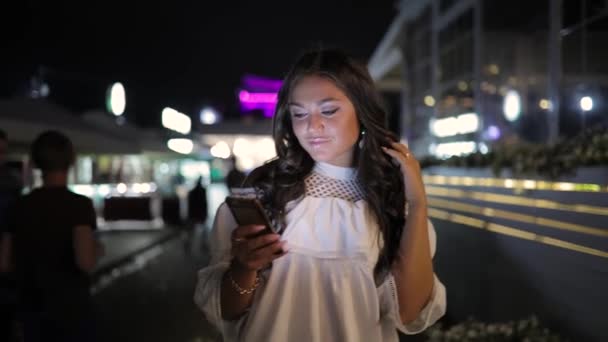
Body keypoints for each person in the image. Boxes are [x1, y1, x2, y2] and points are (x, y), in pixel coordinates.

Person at [194, 49, 446, 341]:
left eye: (329, 110)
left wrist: (417, 205)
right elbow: (227, 310)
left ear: (362, 112)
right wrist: (244, 267)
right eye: (299, 113)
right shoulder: (265, 192)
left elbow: (411, 312)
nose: (312, 126)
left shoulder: (389, 203)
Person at [1, 130, 103, 342]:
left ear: (36, 163)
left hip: (31, 309)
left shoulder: (19, 205)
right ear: (71, 160)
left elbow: (4, 263)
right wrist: (98, 249)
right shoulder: (79, 206)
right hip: (72, 311)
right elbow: (84, 261)